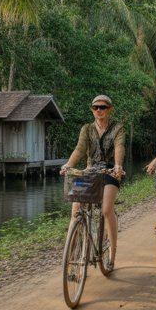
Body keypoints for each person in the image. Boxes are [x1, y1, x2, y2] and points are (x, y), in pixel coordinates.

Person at [60, 94, 125, 271]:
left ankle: (112, 254)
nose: (99, 110)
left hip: (110, 171)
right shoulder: (87, 129)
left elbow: (119, 147)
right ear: (92, 110)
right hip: (91, 171)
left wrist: (118, 166)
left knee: (106, 209)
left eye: (102, 107)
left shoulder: (118, 128)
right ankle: (71, 257)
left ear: (109, 109)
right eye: (95, 107)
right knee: (76, 210)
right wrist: (68, 165)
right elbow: (80, 149)